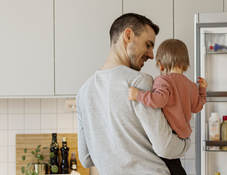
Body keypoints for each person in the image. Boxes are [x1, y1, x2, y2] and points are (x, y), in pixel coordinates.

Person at [76, 13, 190, 175]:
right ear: (128, 35)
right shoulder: (139, 82)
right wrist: (186, 141)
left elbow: (86, 158)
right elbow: (165, 147)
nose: (151, 54)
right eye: (148, 45)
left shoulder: (83, 92)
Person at [128, 39, 207, 174]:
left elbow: (158, 101)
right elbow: (197, 107)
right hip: (183, 140)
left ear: (161, 65)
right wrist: (202, 90)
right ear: (185, 64)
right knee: (173, 166)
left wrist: (138, 95)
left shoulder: (163, 81)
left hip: (169, 138)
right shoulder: (191, 86)